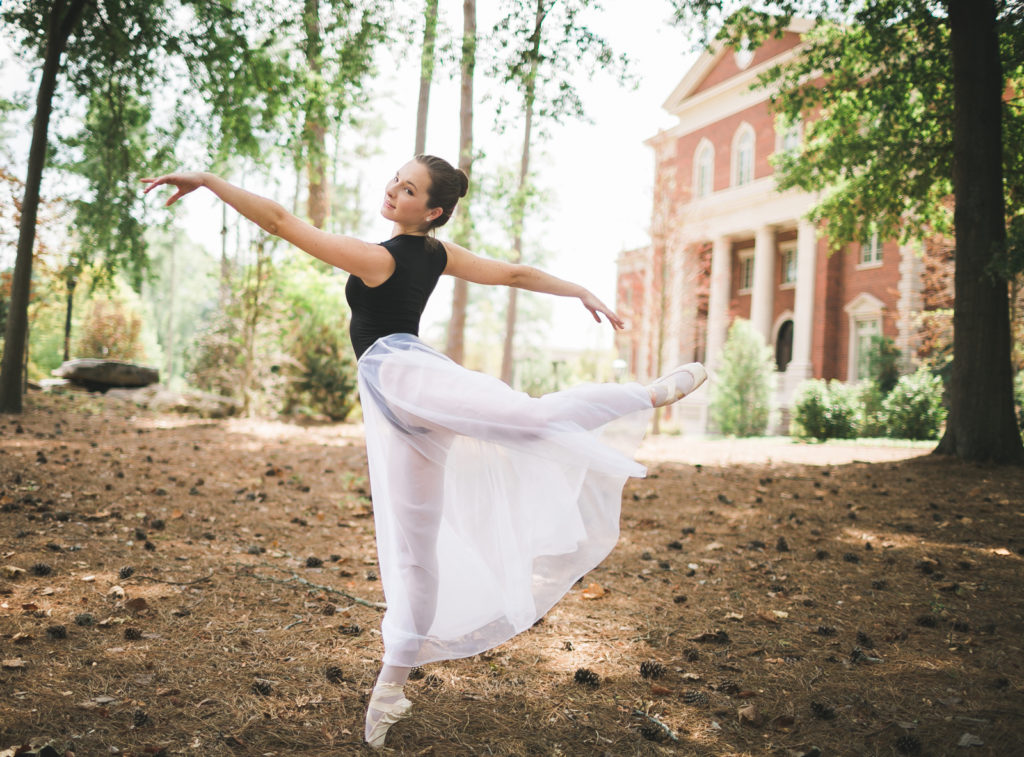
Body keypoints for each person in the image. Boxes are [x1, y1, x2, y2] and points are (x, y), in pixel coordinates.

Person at [143, 155, 706, 749]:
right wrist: (580, 289)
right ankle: (391, 687)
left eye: (408, 189)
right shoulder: (433, 255)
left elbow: (283, 222)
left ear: (432, 210)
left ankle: (645, 394)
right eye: (396, 179)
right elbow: (512, 274)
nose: (393, 190)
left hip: (406, 375)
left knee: (529, 417)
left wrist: (208, 181)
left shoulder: (383, 258)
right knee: (414, 546)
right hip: (396, 407)